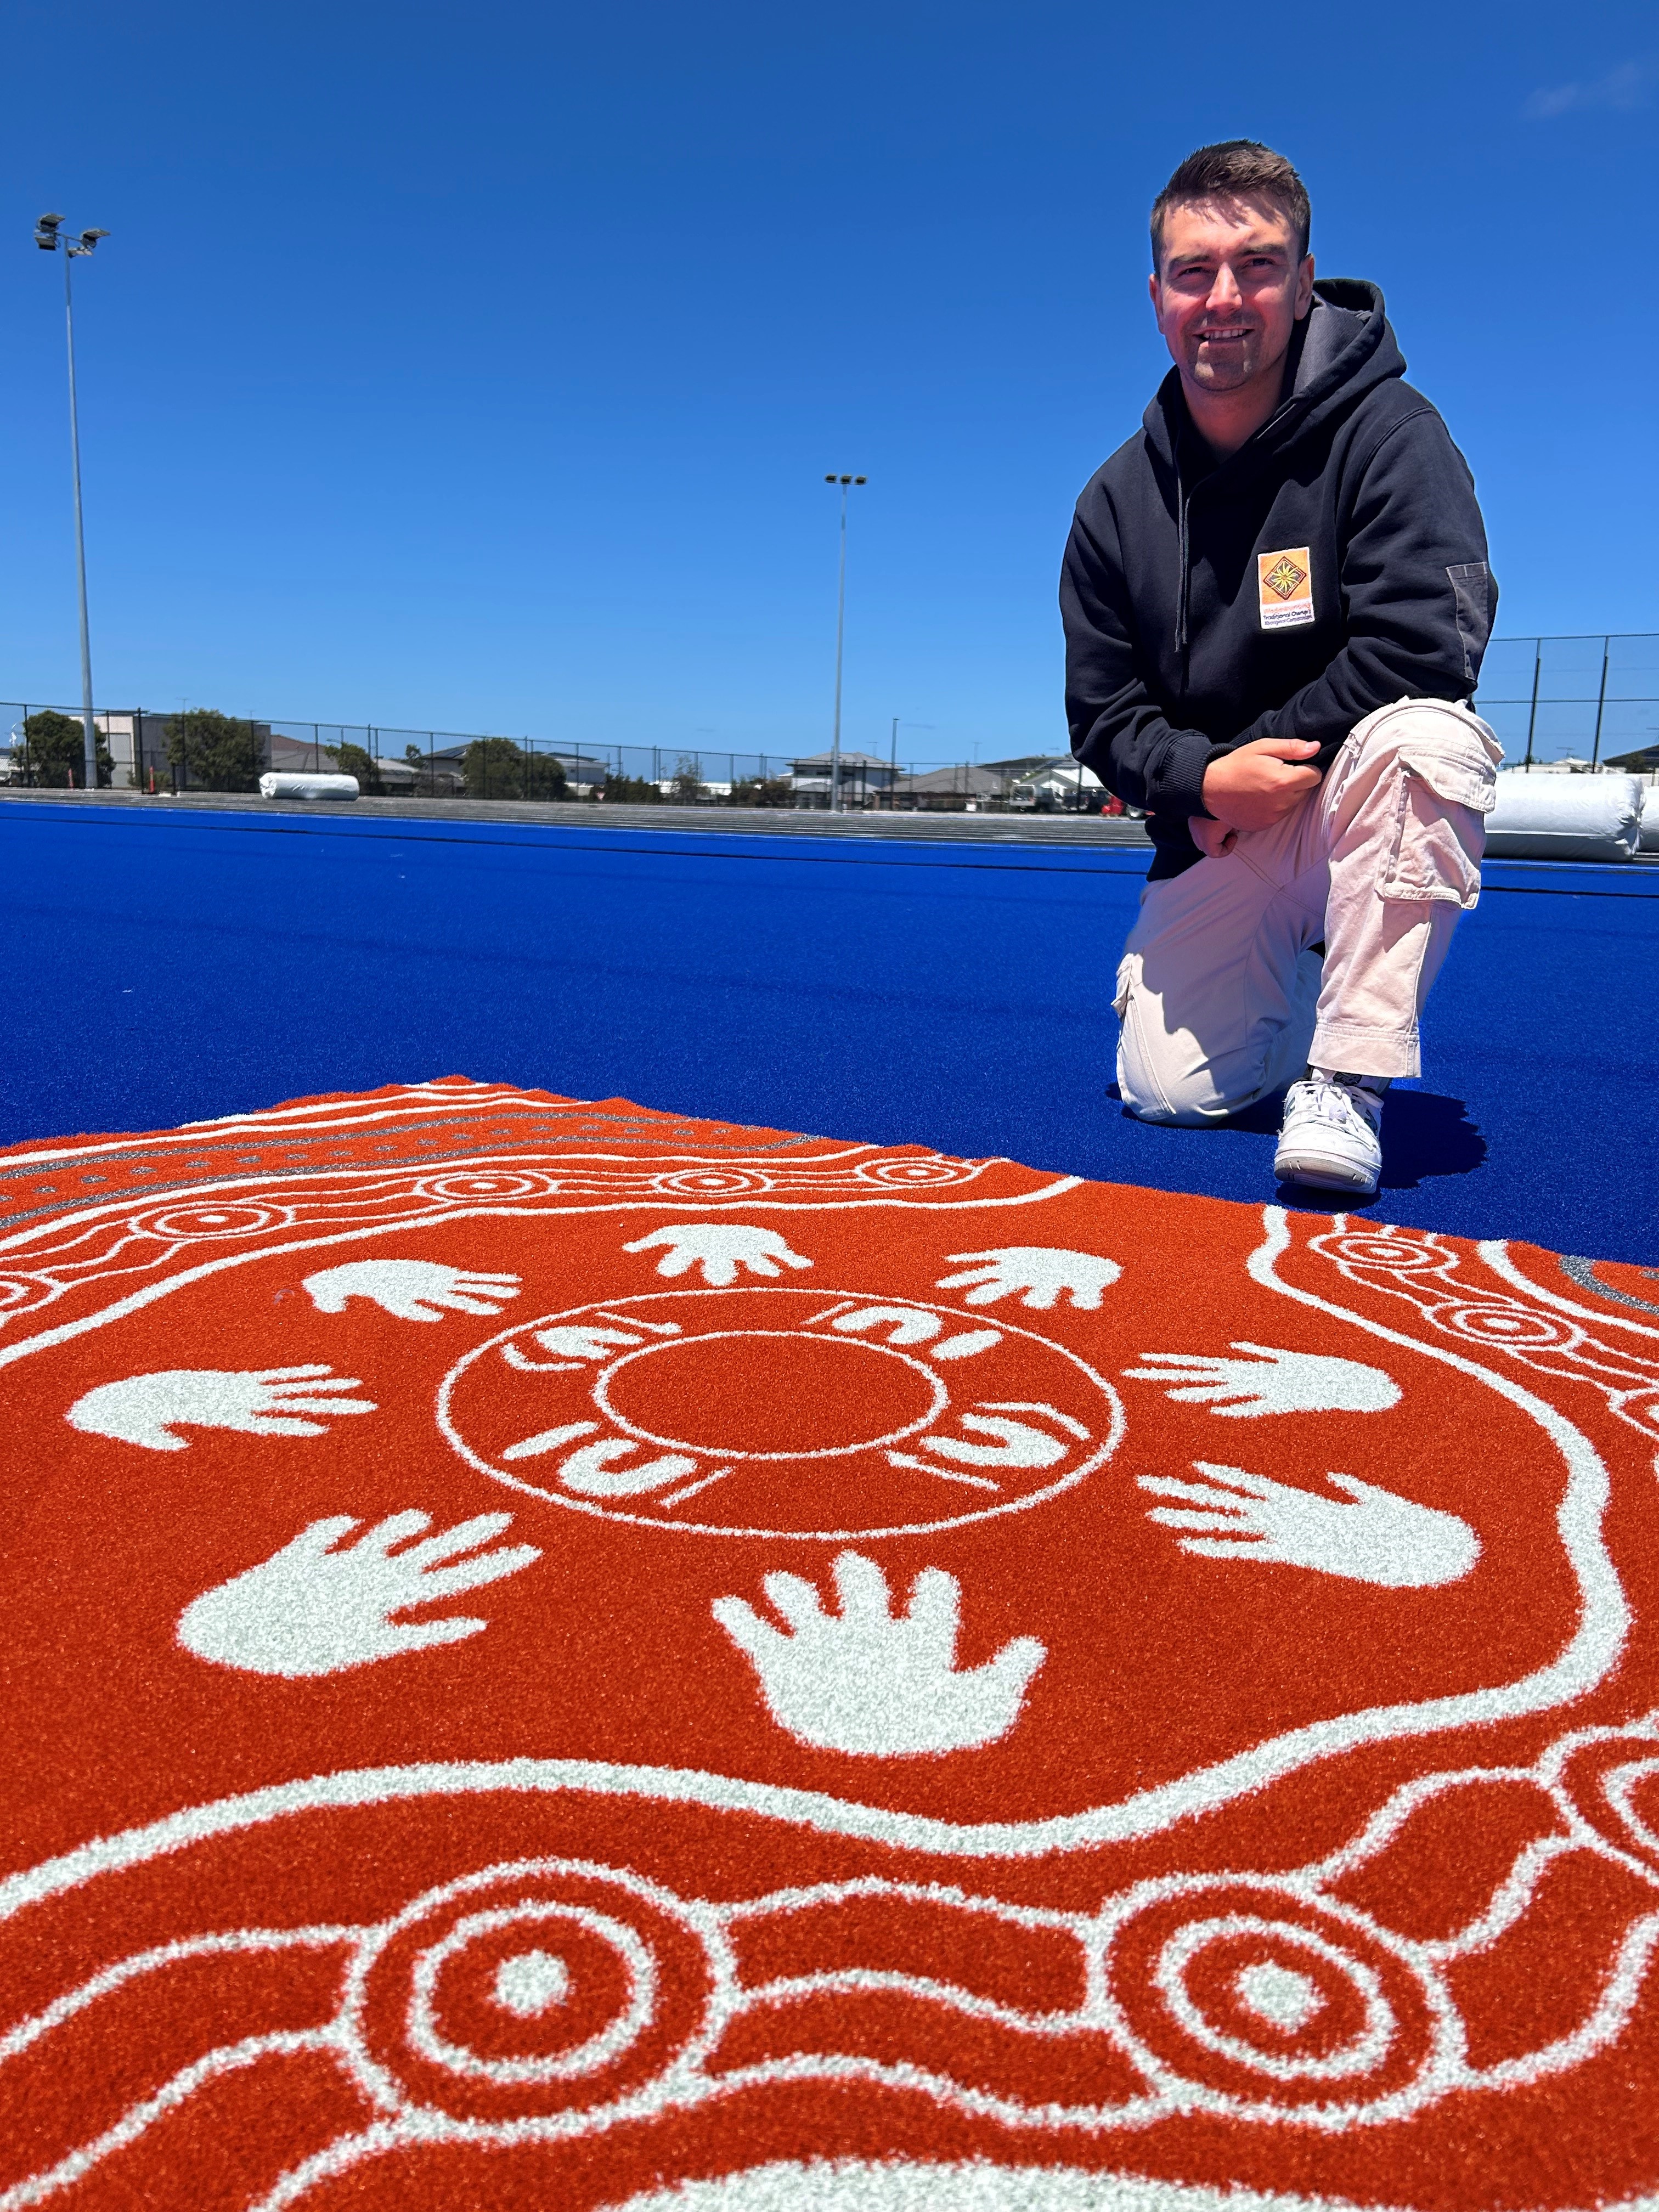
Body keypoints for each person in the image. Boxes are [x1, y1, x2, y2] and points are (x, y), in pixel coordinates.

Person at [1060, 140, 1500, 1198]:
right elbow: (1101, 711)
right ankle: (1303, 975)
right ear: (1156, 294)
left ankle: (1349, 1078)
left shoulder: (1393, 432)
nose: (1225, 297)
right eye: (1194, 271)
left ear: (1303, 284)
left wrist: (1256, 760)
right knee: (1172, 1092)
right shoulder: (1114, 502)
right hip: (1222, 817)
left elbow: (1426, 642)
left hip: (1346, 793)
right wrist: (1201, 785)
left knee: (1430, 738)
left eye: (1256, 265)